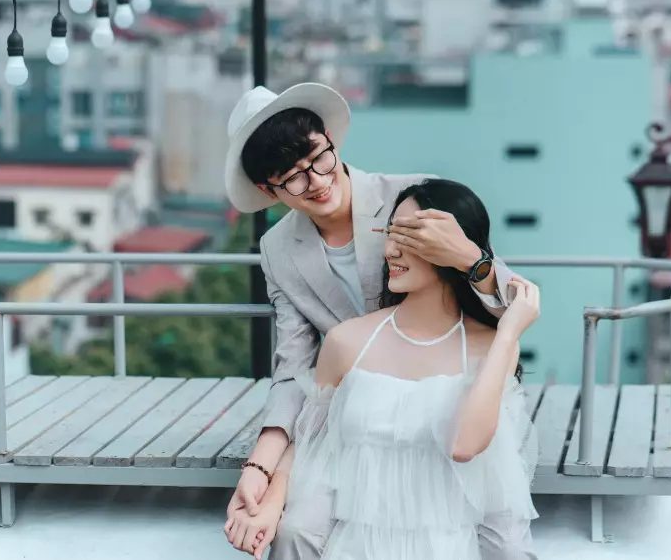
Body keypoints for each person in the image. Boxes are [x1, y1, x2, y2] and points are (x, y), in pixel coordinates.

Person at [223, 83, 535, 559]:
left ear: (330, 140)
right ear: (270, 190)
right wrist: (261, 464)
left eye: (318, 158)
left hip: (449, 390)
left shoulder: (410, 196)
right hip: (354, 409)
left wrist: (470, 259)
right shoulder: (278, 249)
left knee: (504, 543)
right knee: (297, 531)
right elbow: (293, 367)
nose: (316, 181)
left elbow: (512, 304)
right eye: (292, 179)